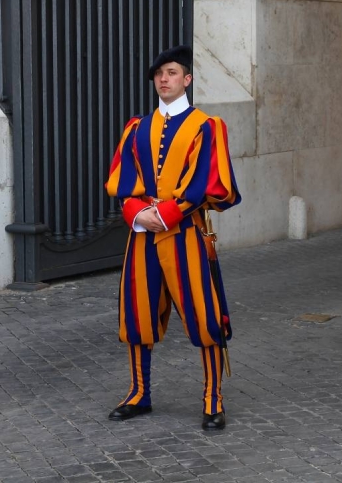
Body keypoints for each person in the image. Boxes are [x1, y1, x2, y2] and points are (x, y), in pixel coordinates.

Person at [105, 45, 242, 430]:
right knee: (137, 314)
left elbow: (203, 183)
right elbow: (124, 179)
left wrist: (163, 215)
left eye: (171, 72)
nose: (163, 79)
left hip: (186, 234)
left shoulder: (206, 126)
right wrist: (137, 214)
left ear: (187, 79)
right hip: (143, 236)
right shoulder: (137, 128)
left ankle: (213, 398)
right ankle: (139, 393)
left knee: (204, 315)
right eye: (159, 74)